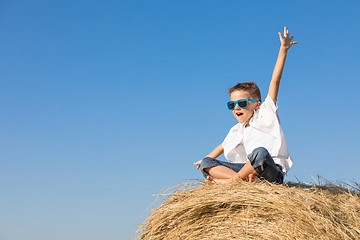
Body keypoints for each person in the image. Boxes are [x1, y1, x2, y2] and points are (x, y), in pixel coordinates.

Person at [194, 26, 297, 184]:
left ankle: (228, 182)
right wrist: (205, 159)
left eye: (242, 103)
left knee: (260, 153)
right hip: (248, 170)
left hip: (270, 169)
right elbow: (222, 146)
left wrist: (283, 49)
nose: (236, 108)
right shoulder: (237, 130)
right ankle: (240, 180)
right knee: (207, 163)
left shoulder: (265, 113)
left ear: (257, 104)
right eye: (232, 105)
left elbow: (275, 81)